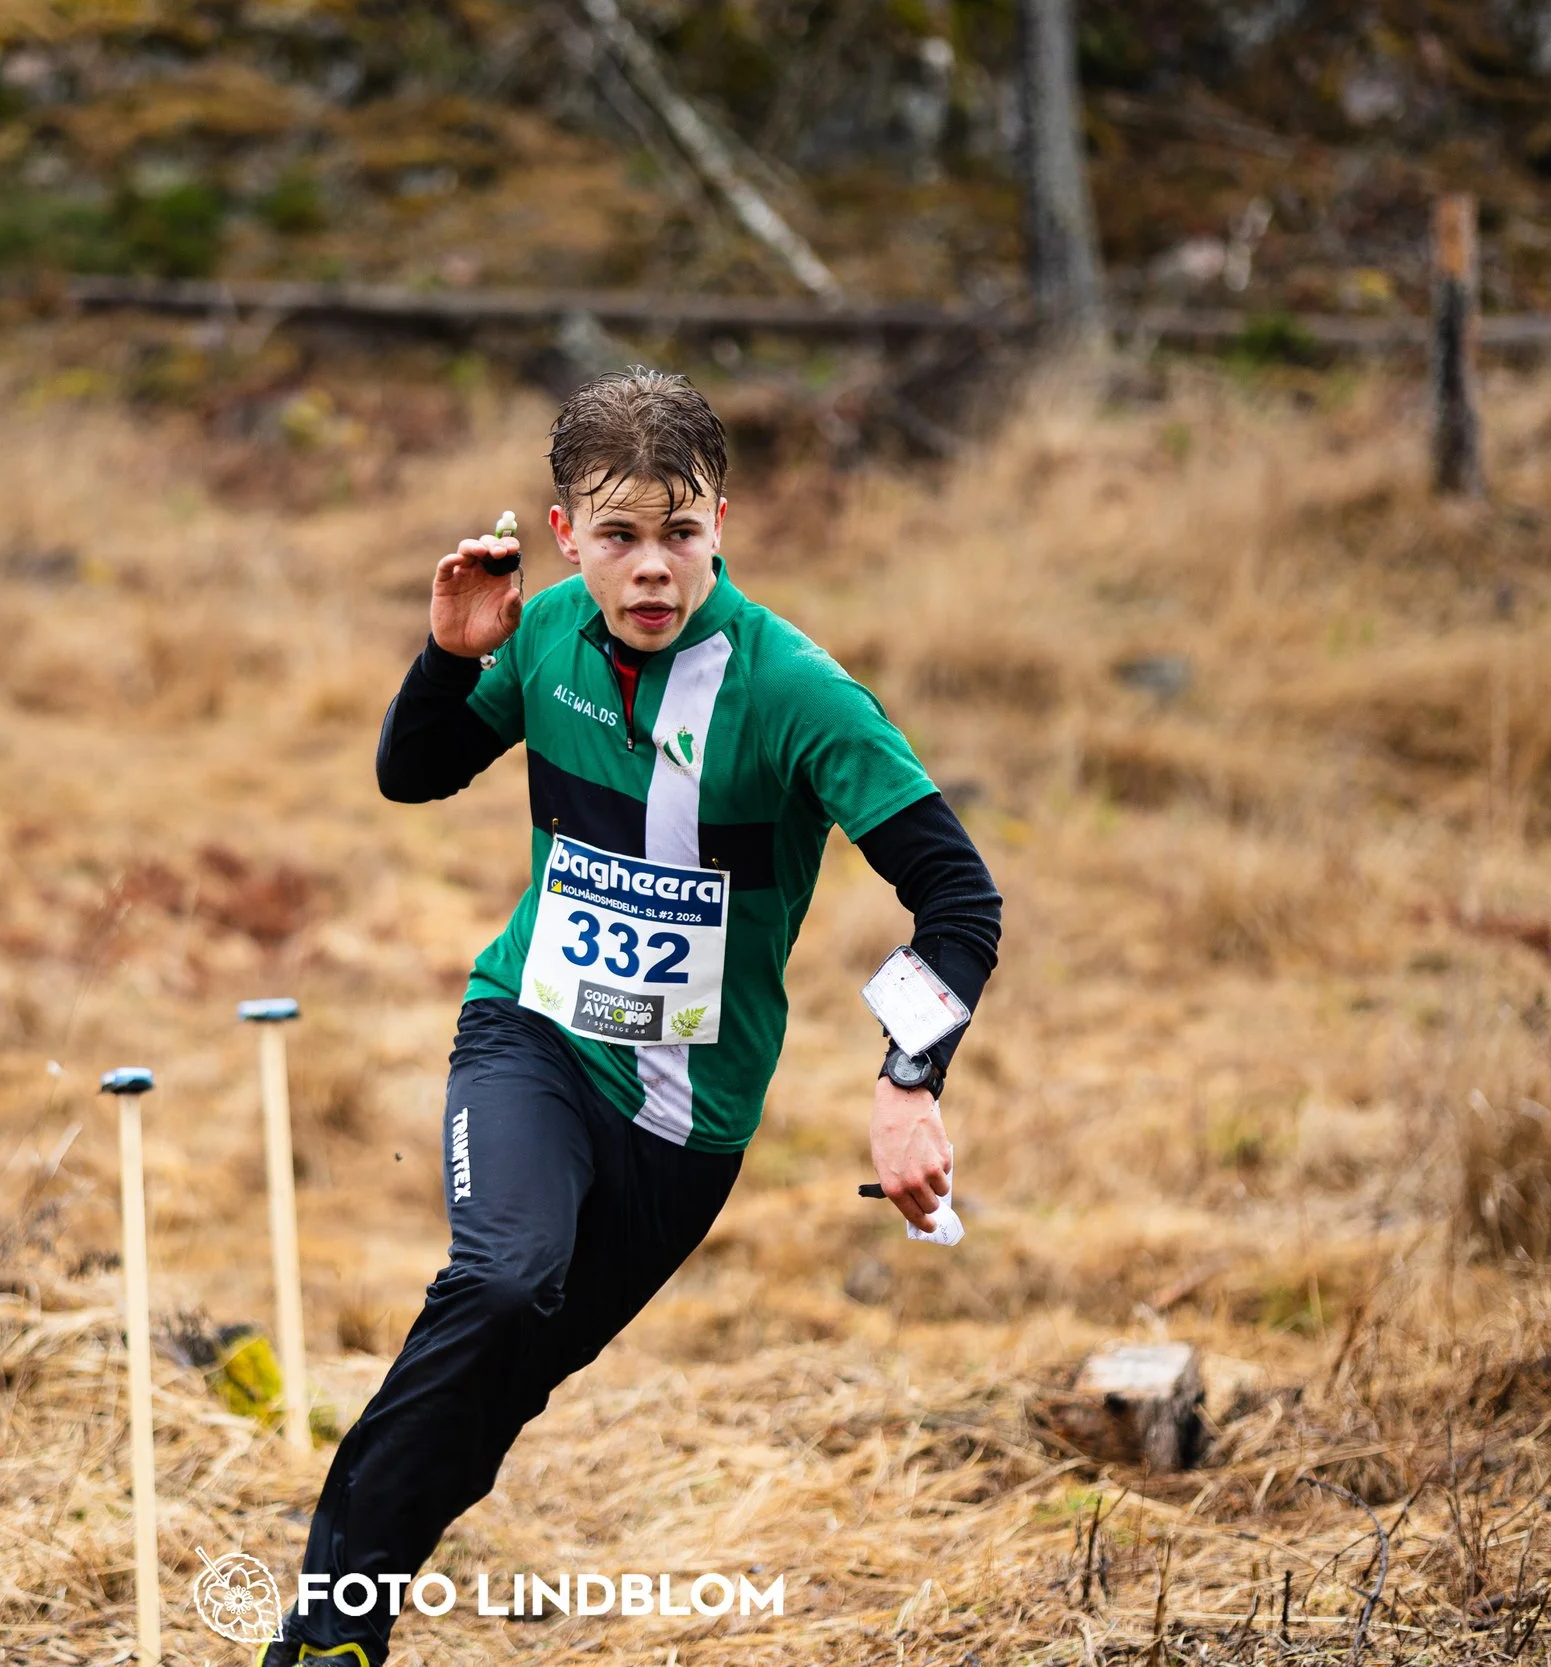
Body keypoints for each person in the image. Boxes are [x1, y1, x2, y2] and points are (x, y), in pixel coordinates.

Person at [256, 366, 1003, 1666]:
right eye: (618, 536)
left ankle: (353, 1613)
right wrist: (448, 657)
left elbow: (959, 899)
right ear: (565, 537)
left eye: (679, 532)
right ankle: (322, 1638)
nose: (651, 567)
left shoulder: (798, 693)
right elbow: (411, 774)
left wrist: (906, 1080)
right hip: (532, 1032)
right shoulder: (547, 635)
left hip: (686, 1126)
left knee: (499, 1384)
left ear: (722, 523)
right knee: (500, 1281)